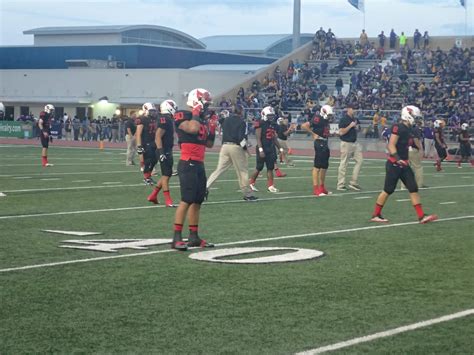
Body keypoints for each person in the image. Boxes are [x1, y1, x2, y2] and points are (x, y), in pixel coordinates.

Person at [371, 106, 437, 224]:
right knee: (388, 190)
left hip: (404, 164)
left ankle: (421, 216)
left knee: (413, 188)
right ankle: (376, 214)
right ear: (408, 115)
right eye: (414, 117)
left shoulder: (408, 129)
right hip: (394, 164)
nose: (416, 120)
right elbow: (391, 145)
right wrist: (397, 158)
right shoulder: (399, 127)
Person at [172, 88, 216, 251]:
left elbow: (209, 144)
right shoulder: (183, 114)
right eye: (205, 102)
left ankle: (194, 236)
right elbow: (192, 129)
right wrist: (197, 112)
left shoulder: (201, 119)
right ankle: (176, 237)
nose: (207, 106)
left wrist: (212, 128)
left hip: (199, 164)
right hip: (188, 162)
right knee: (186, 199)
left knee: (197, 201)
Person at [206, 106, 257, 201]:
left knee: (219, 170)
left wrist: (213, 114)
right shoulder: (241, 122)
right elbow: (240, 138)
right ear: (241, 112)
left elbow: (218, 121)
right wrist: (245, 149)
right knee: (242, 171)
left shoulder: (226, 120)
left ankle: (206, 187)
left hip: (225, 146)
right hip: (235, 147)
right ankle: (247, 194)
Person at [147, 99, 178, 207]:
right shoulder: (165, 118)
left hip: (165, 149)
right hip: (163, 150)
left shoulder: (166, 118)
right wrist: (161, 152)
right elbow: (158, 136)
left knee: (167, 174)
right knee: (166, 175)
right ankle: (167, 200)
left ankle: (153, 195)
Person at [249, 106, 284, 193]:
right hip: (263, 148)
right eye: (269, 115)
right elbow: (258, 138)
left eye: (272, 115)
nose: (271, 117)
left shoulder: (272, 124)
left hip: (270, 148)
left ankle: (271, 186)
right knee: (259, 168)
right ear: (264, 115)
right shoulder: (260, 123)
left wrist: (280, 148)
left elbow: (274, 138)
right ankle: (251, 183)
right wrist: (261, 150)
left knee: (270, 168)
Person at [301, 105, 333, 196]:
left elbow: (324, 131)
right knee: (317, 166)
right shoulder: (317, 118)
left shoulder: (325, 120)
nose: (330, 116)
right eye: (329, 114)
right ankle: (316, 189)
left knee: (324, 166)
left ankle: (322, 187)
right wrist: (313, 134)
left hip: (325, 142)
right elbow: (304, 126)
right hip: (319, 143)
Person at [337, 105, 363, 191]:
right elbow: (341, 132)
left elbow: (359, 129)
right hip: (346, 143)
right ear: (348, 109)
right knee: (344, 163)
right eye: (353, 109)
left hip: (354, 143)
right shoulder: (344, 119)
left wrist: (357, 127)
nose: (355, 110)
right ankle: (340, 184)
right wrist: (350, 126)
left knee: (360, 161)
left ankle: (353, 182)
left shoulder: (355, 119)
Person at [136, 103, 159, 185]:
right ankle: (146, 177)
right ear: (145, 110)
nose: (153, 113)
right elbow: (138, 133)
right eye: (151, 111)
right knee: (148, 161)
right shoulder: (142, 119)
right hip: (146, 143)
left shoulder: (155, 119)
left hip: (154, 142)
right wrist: (139, 146)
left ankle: (148, 176)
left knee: (155, 160)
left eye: (154, 111)